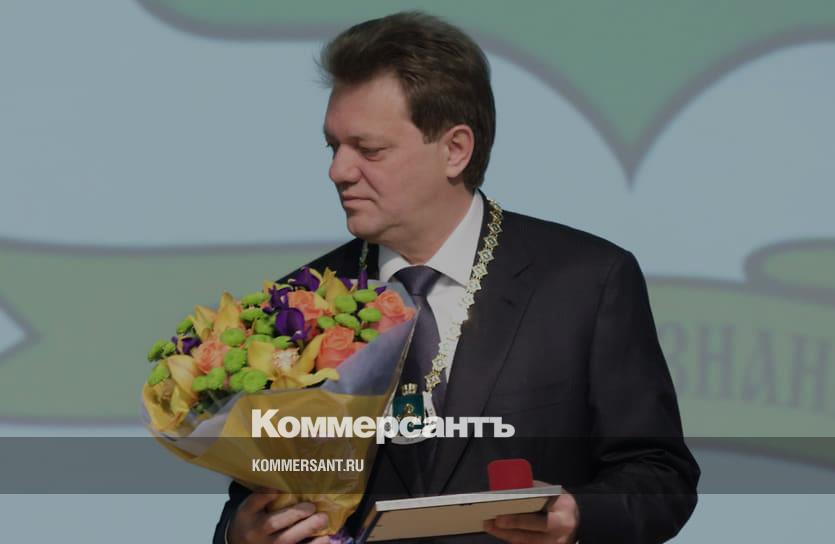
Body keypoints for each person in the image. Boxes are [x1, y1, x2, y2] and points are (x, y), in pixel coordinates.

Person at [214, 11, 699, 544]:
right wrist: (241, 534)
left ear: (455, 150)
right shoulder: (297, 302)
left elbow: (660, 476)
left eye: (369, 150)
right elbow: (253, 499)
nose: (339, 171)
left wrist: (578, 516)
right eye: (334, 147)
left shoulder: (587, 281)